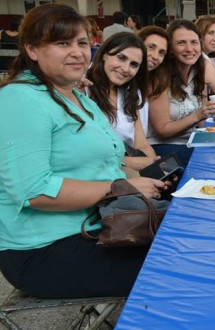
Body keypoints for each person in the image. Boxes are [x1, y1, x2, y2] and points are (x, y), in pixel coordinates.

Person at [0, 4, 165, 299]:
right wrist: (119, 187)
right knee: (179, 266)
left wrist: (145, 179)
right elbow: (33, 191)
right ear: (32, 50)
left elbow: (111, 159)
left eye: (82, 42)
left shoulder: (76, 97)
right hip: (44, 250)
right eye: (63, 43)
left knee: (188, 236)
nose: (77, 52)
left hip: (100, 225)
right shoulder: (20, 99)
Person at [148, 19, 215, 166]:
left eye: (194, 42)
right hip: (162, 147)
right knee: (214, 162)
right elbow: (162, 131)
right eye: (181, 43)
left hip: (192, 140)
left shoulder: (197, 72)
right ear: (170, 49)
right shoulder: (159, 78)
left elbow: (202, 119)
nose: (190, 49)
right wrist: (198, 115)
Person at [87, 32, 158, 172]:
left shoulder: (130, 95)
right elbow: (85, 153)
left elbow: (142, 144)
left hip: (130, 168)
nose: (125, 69)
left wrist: (153, 166)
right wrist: (128, 162)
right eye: (121, 58)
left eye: (134, 64)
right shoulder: (83, 90)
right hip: (100, 172)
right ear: (104, 55)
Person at [136, 26, 169, 137]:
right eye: (151, 47)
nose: (155, 56)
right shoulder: (120, 81)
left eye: (161, 53)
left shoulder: (152, 81)